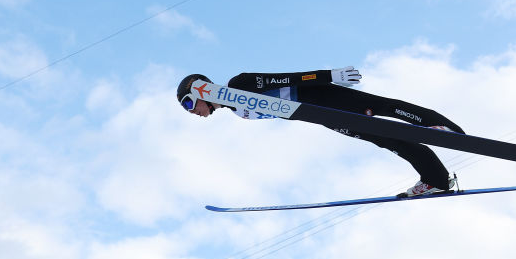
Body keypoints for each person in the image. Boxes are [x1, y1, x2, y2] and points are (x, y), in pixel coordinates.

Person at [176, 67, 464, 196]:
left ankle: (441, 128)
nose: (192, 112)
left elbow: (288, 78)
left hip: (324, 98)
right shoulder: (238, 111)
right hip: (323, 117)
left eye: (189, 103)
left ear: (202, 89)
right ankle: (436, 179)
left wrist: (329, 76)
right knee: (388, 140)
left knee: (381, 108)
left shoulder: (238, 84)